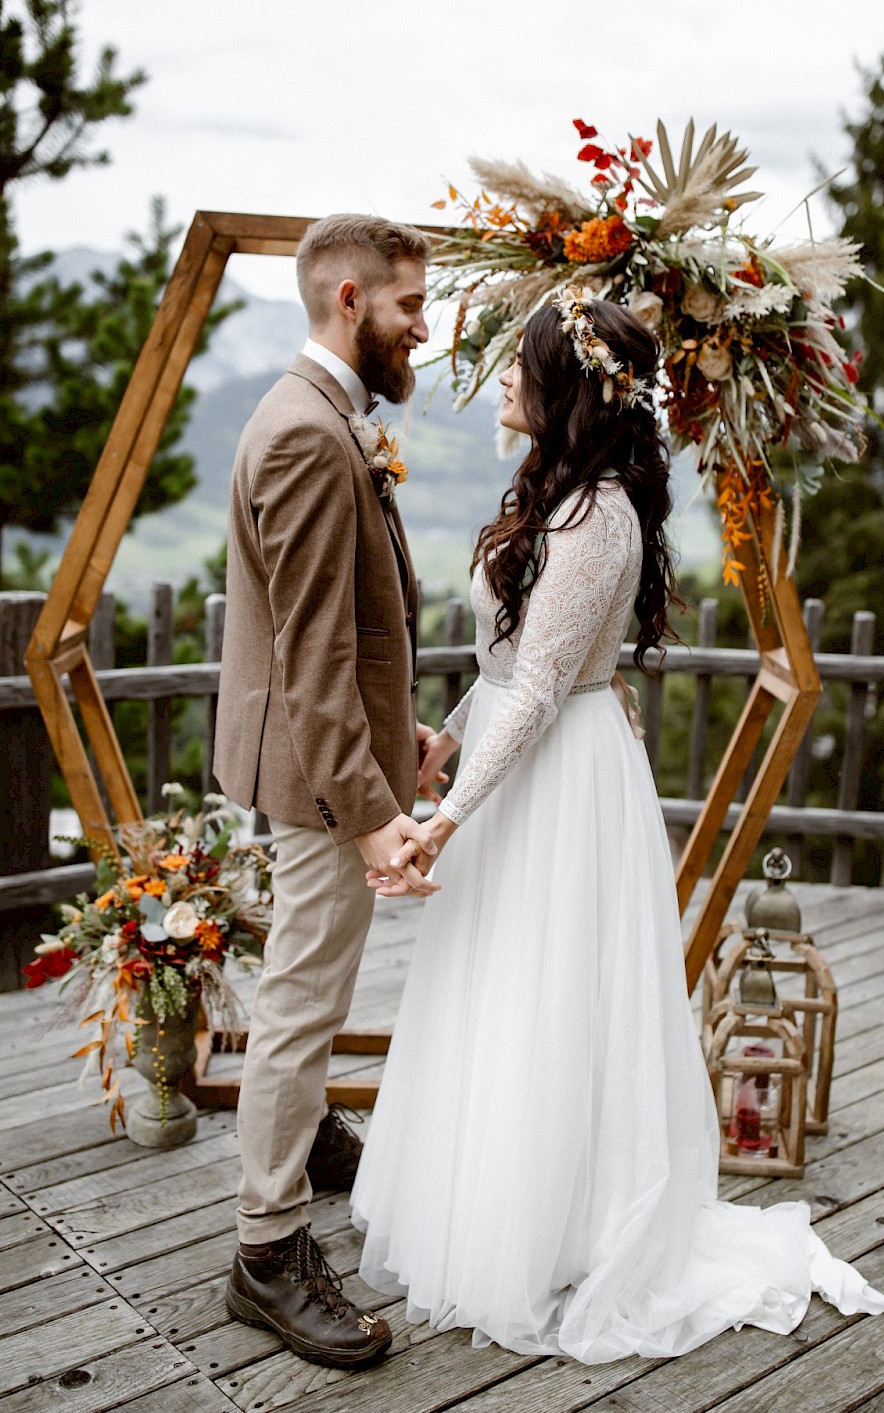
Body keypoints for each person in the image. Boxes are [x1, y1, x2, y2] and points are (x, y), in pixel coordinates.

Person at [351, 288, 884, 1362]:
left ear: (566, 393)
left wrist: (443, 819)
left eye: (518, 367)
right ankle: (500, 1198)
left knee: (553, 989)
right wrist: (450, 738)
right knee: (501, 984)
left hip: (565, 779)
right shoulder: (550, 490)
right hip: (520, 760)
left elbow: (550, 685)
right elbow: (509, 667)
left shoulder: (597, 514)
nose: (500, 380)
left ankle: (566, 1223)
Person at [214, 213, 443, 1370]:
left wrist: (404, 737)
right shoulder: (308, 435)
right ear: (350, 299)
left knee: (305, 987)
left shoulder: (324, 414)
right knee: (301, 1005)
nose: (424, 327)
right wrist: (373, 816)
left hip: (333, 760)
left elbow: (353, 628)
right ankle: (265, 1250)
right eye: (410, 305)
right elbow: (311, 658)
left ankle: (300, 1143)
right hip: (318, 783)